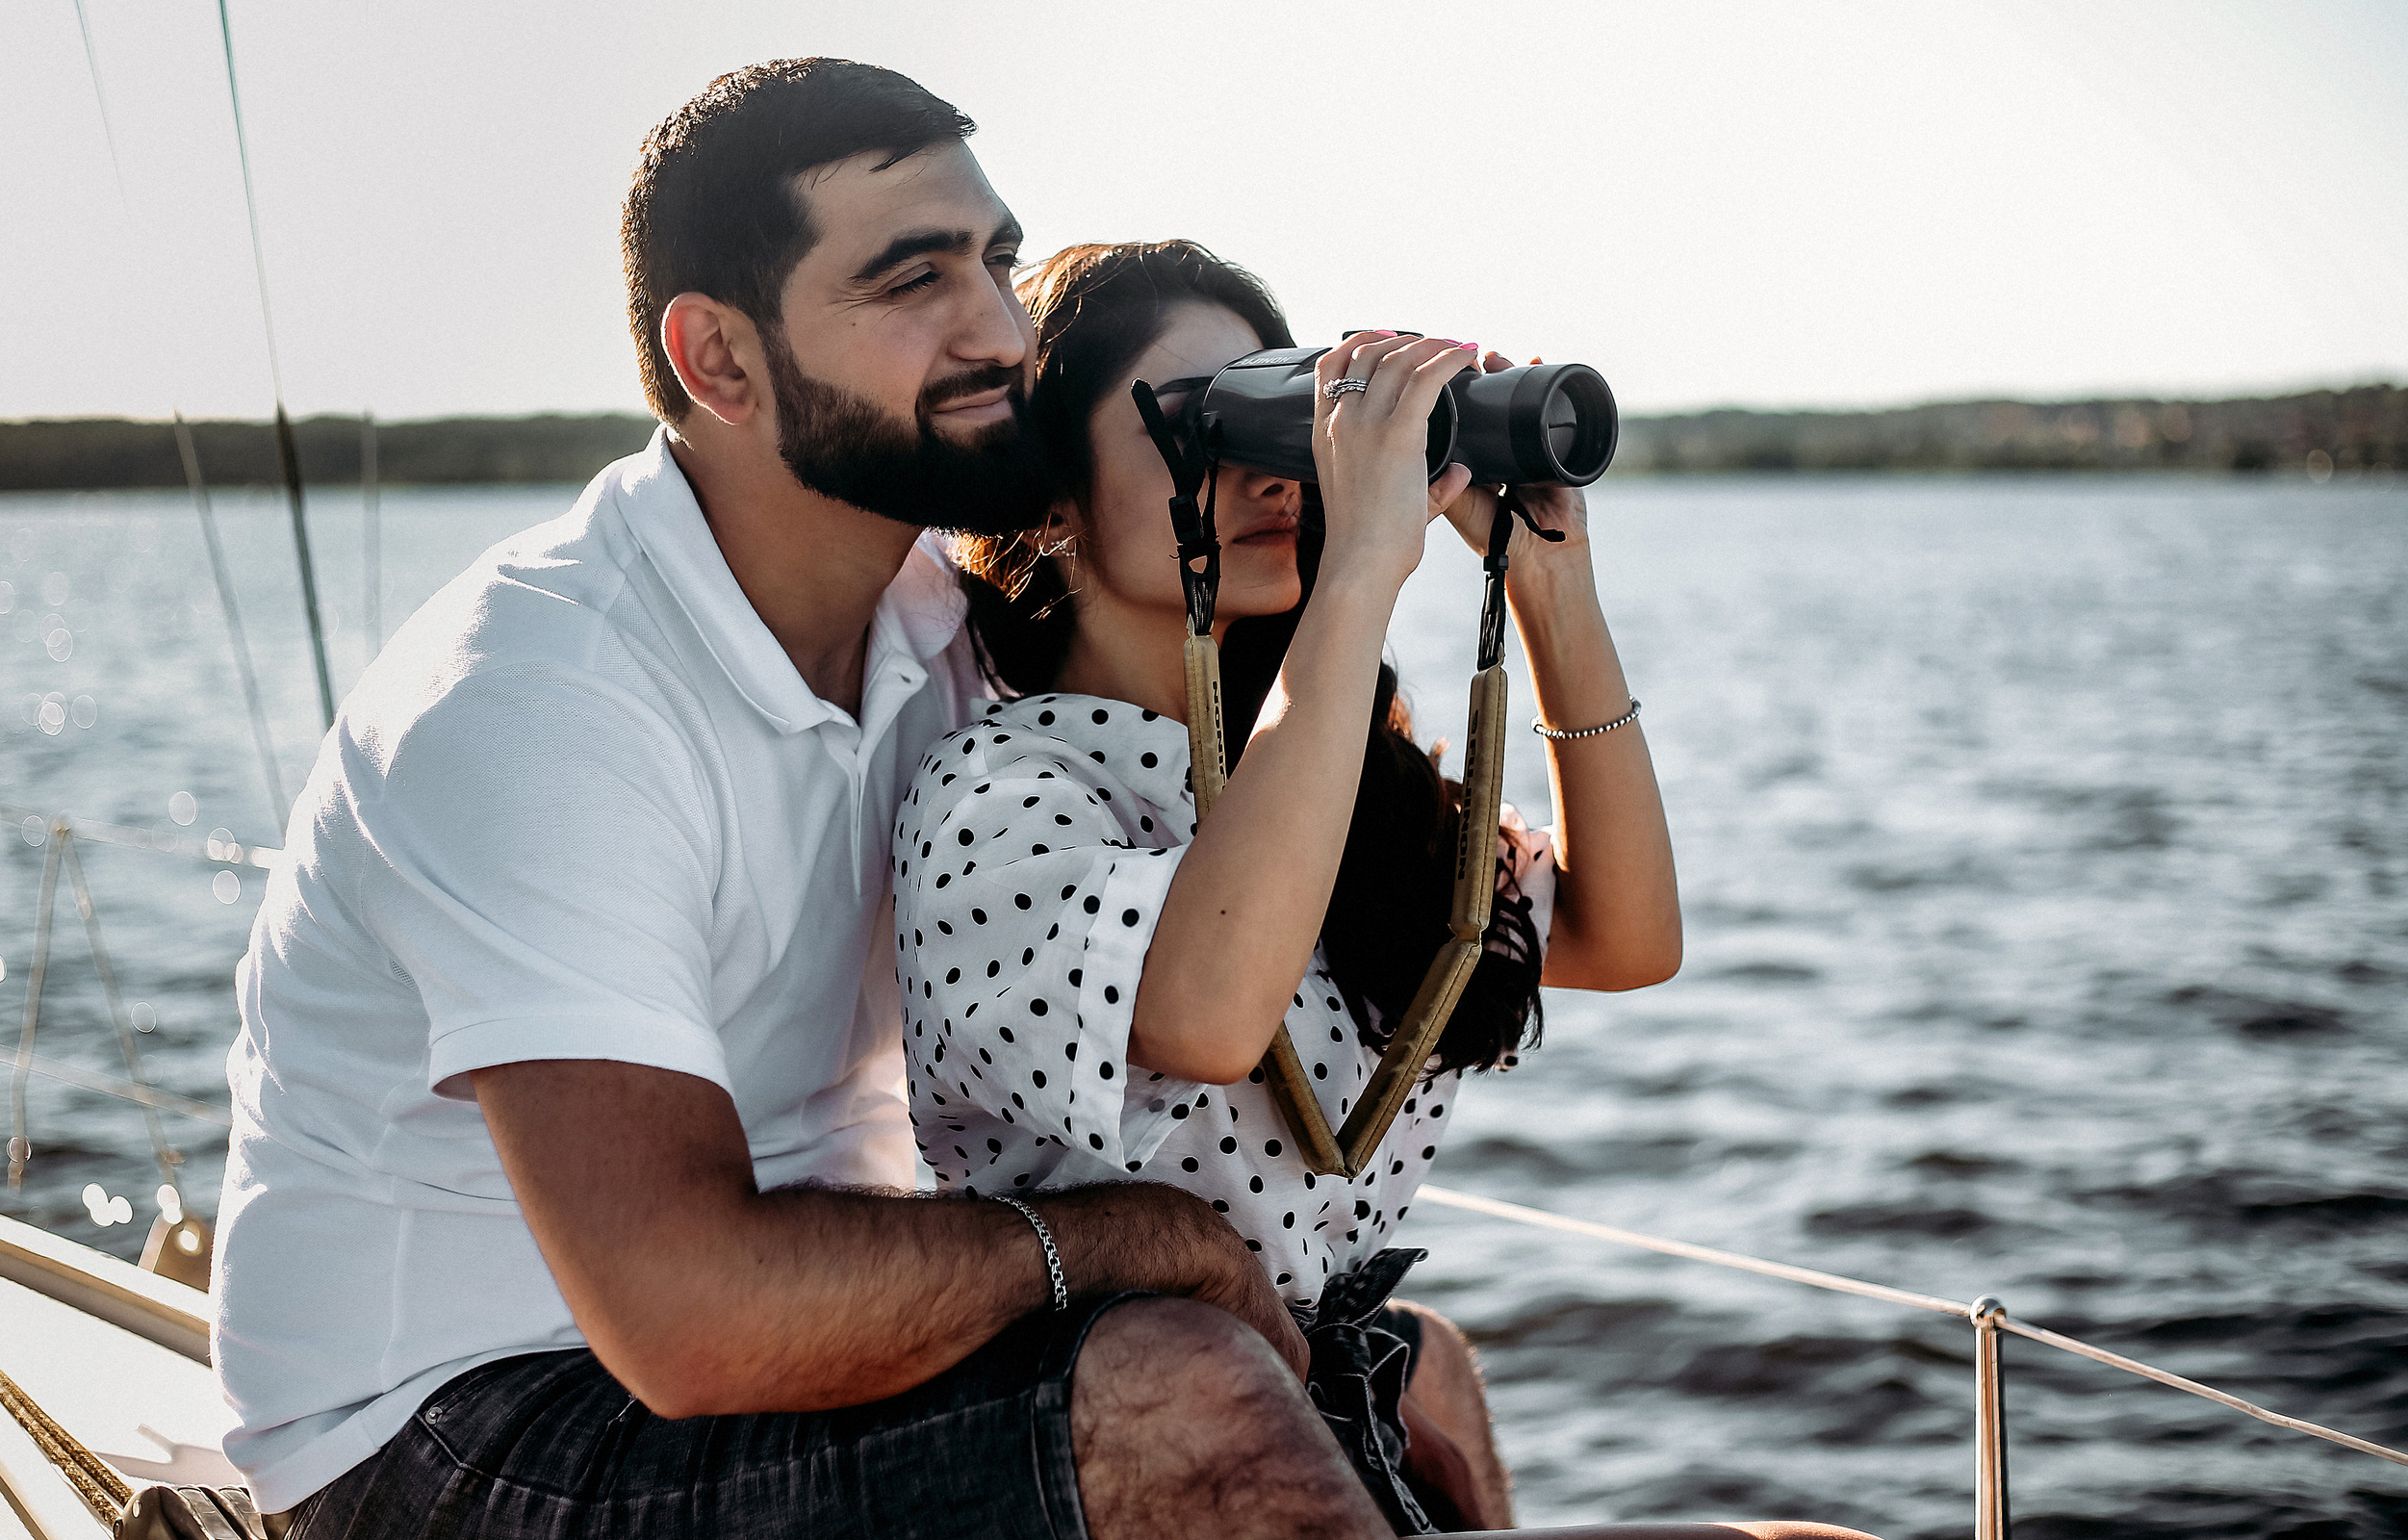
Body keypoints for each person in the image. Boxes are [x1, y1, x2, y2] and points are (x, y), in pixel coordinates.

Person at [214, 60, 1875, 1540]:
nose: (999, 328)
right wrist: (1141, 1241)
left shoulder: (935, 630)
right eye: (911, 277)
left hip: (803, 1320)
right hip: (461, 1430)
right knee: (1179, 1392)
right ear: (715, 356)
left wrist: (1526, 576)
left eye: (1000, 260)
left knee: (1398, 1364)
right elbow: (683, 1315)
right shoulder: (541, 701)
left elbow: (1578, 921)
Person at [897, 242, 1681, 1531]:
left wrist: (1550, 583)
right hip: (1110, 1462)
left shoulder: (1328, 778)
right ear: (1053, 496)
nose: (1270, 472)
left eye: (1285, 417)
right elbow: (1210, 1009)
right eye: (1204, 428)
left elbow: (1628, 936)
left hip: (1328, 1417)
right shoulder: (997, 800)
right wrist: (1363, 574)